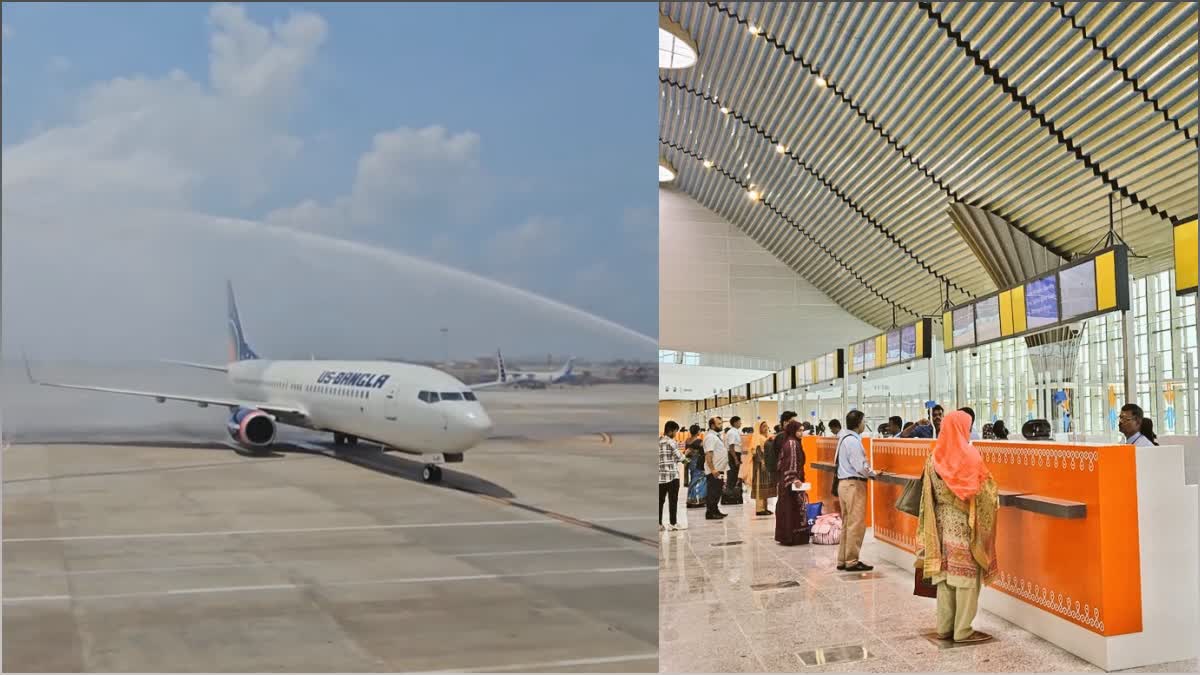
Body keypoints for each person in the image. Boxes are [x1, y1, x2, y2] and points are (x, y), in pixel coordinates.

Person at [916, 410, 999, 644]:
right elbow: (984, 493)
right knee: (965, 577)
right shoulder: (969, 456)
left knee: (945, 577)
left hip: (940, 524)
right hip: (964, 526)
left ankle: (944, 627)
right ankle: (963, 630)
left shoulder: (933, 457)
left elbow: (927, 494)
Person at [836, 410, 877, 571]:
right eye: (863, 421)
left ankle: (842, 559)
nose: (864, 424)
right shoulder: (853, 441)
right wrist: (872, 474)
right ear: (859, 422)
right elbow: (860, 466)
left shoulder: (843, 438)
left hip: (844, 485)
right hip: (854, 485)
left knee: (847, 523)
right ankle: (852, 560)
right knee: (856, 524)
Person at [775, 419, 810, 546]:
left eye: (802, 430)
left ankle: (786, 536)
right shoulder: (792, 443)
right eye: (799, 430)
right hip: (792, 484)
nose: (801, 433)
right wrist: (794, 479)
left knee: (787, 509)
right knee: (793, 509)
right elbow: (791, 463)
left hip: (785, 483)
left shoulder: (789, 441)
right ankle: (793, 537)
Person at [658, 421, 686, 531]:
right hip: (672, 476)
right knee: (673, 500)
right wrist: (686, 456)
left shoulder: (658, 441)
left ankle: (659, 524)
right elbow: (680, 457)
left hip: (660, 477)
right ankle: (673, 523)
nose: (676, 433)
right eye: (675, 431)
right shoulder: (671, 442)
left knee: (660, 501)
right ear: (671, 430)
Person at [751, 420, 778, 516]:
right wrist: (762, 462)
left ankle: (765, 507)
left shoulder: (767, 436)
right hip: (760, 466)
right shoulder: (758, 437)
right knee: (760, 486)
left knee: (766, 486)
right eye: (763, 426)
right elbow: (757, 451)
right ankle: (759, 509)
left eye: (766, 426)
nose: (765, 428)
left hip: (767, 464)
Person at [703, 417, 728, 519]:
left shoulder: (716, 436)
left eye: (721, 423)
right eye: (718, 424)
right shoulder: (710, 437)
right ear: (712, 425)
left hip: (719, 469)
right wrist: (713, 469)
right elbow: (709, 454)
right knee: (713, 491)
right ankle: (710, 512)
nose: (721, 425)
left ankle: (715, 510)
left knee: (717, 491)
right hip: (714, 470)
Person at [684, 425, 707, 508]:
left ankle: (690, 499)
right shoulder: (699, 441)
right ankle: (697, 500)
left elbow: (687, 452)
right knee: (699, 482)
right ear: (698, 432)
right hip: (698, 463)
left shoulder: (687, 440)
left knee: (693, 480)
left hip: (690, 463)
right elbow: (704, 453)